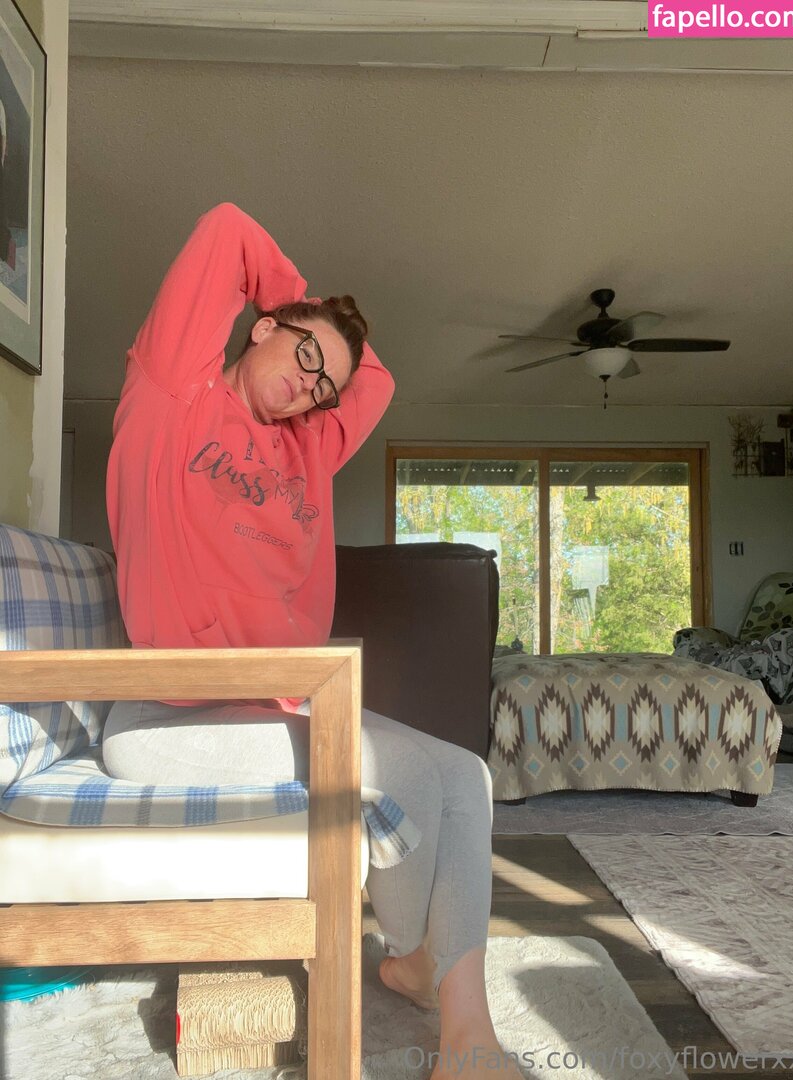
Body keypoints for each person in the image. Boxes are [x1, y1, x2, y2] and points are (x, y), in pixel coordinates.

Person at [103, 202, 523, 1078]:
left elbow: (380, 380)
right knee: (406, 775)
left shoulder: (309, 448)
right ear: (260, 325)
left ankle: (436, 990)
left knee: (467, 775)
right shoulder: (174, 393)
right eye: (302, 359)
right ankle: (450, 1012)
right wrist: (306, 307)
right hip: (171, 717)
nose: (311, 388)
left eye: (325, 385)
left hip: (285, 707)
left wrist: (323, 342)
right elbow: (226, 229)